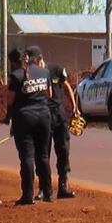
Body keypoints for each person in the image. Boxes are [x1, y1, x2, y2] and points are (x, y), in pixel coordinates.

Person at [4, 46, 53, 205]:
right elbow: (50, 94)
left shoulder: (16, 76)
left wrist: (8, 119)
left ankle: (28, 195)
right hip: (44, 117)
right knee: (43, 156)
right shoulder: (44, 72)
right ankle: (48, 193)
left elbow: (10, 101)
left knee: (27, 157)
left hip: (25, 119)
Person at [33, 50, 79, 198]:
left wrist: (74, 107)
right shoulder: (32, 75)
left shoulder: (56, 69)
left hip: (59, 115)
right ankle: (43, 188)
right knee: (42, 153)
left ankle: (63, 186)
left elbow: (66, 87)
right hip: (42, 115)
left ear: (40, 59)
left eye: (34, 62)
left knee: (63, 150)